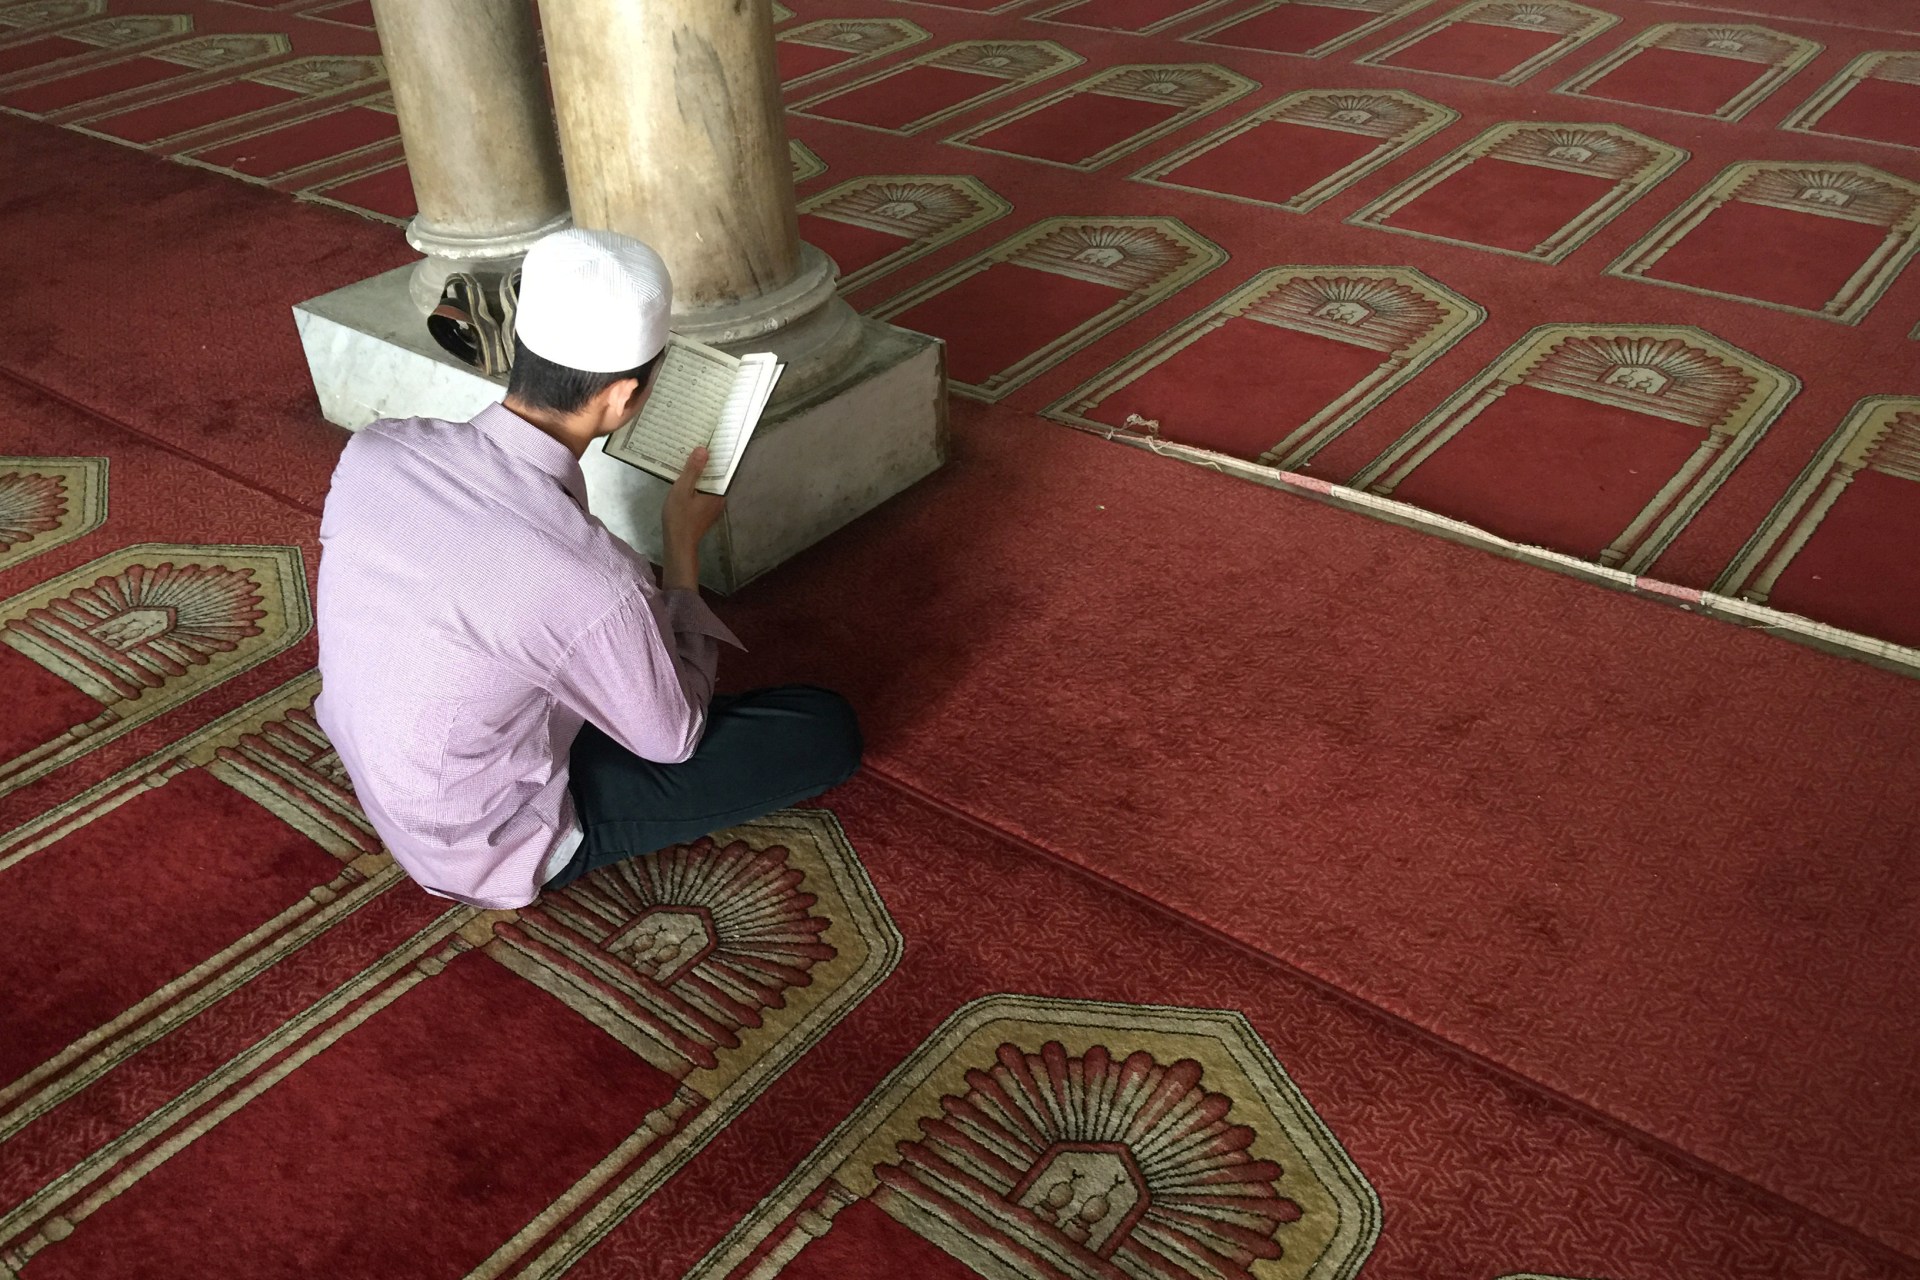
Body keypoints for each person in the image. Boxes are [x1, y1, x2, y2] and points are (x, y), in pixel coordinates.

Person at [313, 228, 861, 911]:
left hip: (393, 776)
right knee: (823, 729)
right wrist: (681, 550)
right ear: (622, 398)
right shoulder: (599, 583)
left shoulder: (377, 449)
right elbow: (672, 740)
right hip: (483, 841)